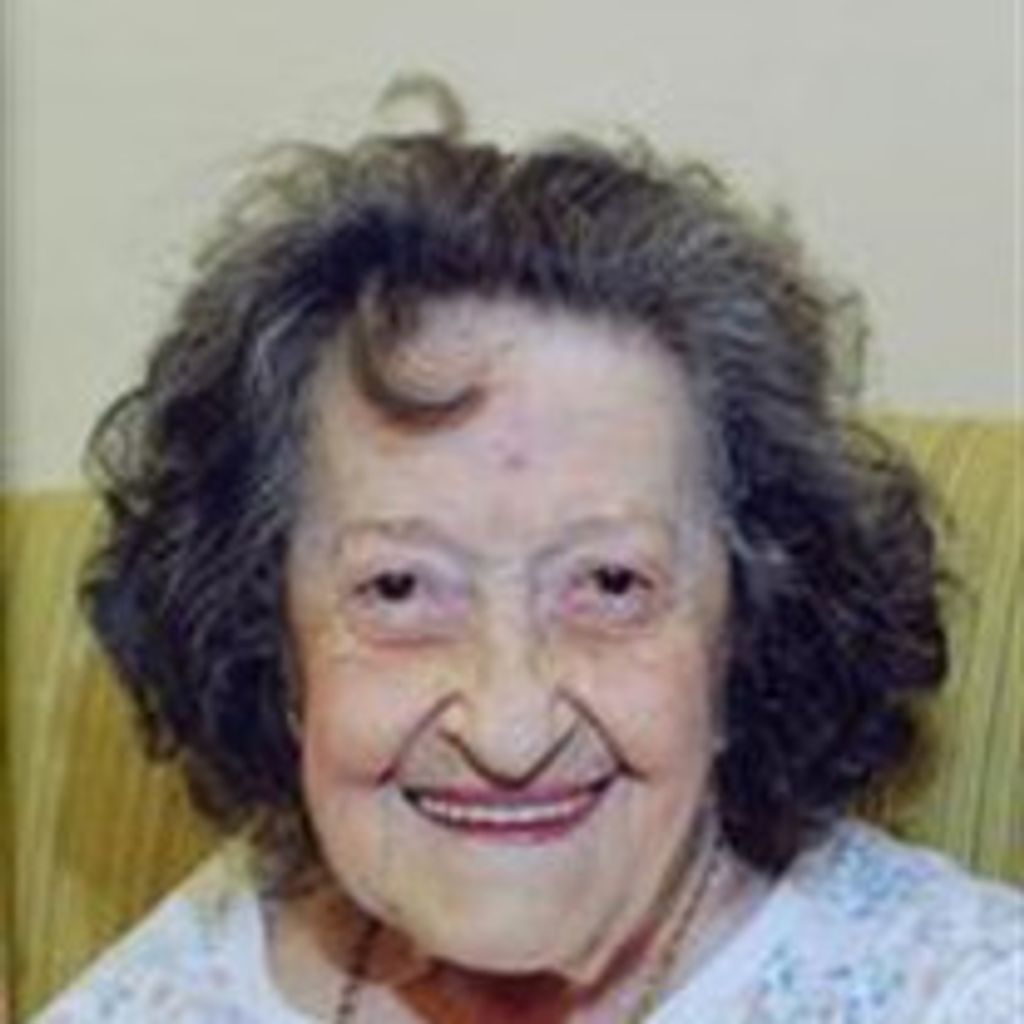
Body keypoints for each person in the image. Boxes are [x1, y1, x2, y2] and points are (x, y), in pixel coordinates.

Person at [35, 90, 1021, 1023]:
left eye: (611, 584)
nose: (509, 731)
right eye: (397, 588)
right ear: (273, 647)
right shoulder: (192, 973)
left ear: (749, 632)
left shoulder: (958, 992)